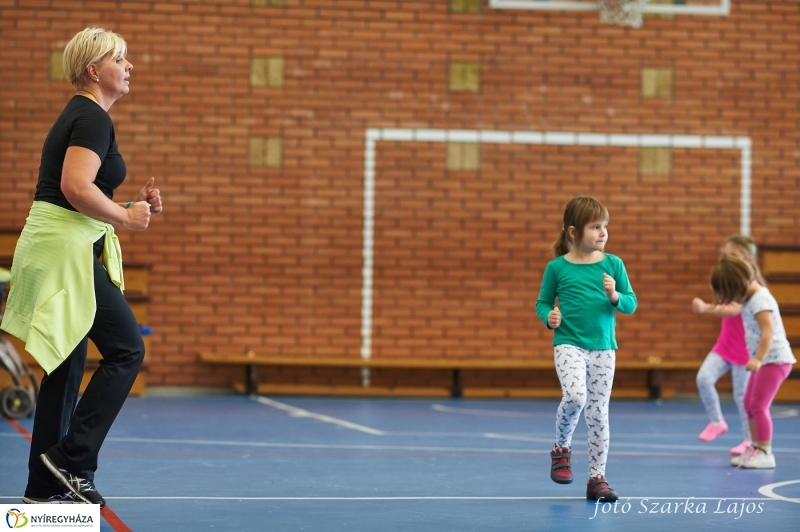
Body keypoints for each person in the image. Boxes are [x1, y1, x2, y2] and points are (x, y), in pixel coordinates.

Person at [0, 27, 162, 505]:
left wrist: (129, 205)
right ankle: (72, 459)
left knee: (66, 367)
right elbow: (74, 188)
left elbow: (77, 193)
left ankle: (42, 489)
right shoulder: (92, 117)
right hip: (61, 251)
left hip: (56, 244)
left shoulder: (83, 115)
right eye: (120, 58)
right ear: (94, 70)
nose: (129, 66)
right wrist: (126, 218)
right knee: (127, 349)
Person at [535, 196, 637, 502]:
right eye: (595, 227)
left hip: (603, 349)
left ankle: (597, 478)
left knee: (598, 414)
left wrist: (615, 296)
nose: (603, 232)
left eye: (605, 226)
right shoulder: (557, 267)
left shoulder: (613, 264)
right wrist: (549, 317)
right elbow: (543, 302)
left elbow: (631, 303)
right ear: (573, 231)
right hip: (568, 344)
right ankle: (561, 448)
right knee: (576, 396)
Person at [709, 256, 796, 469]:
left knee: (758, 405)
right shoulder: (749, 298)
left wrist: (758, 358)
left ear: (738, 286)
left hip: (774, 360)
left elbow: (768, 331)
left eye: (732, 296)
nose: (733, 301)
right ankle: (755, 447)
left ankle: (766, 451)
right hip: (764, 360)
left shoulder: (760, 300)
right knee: (748, 403)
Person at [692, 235, 765, 456]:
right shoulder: (730, 282)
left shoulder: (751, 286)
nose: (726, 259)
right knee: (704, 378)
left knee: (743, 399)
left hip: (744, 352)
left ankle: (749, 440)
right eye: (724, 255)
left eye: (732, 255)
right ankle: (717, 421)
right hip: (724, 347)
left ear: (749, 260)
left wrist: (705, 307)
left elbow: (734, 309)